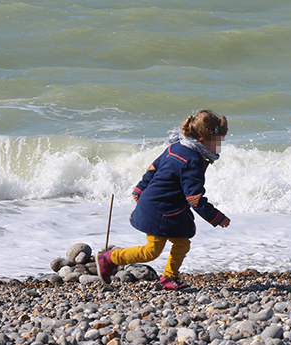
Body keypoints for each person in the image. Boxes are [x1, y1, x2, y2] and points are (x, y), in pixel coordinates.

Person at [96, 109, 231, 290]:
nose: (220, 146)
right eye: (218, 142)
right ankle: (108, 259)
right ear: (203, 140)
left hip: (158, 203)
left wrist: (140, 189)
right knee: (151, 251)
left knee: (182, 243)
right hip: (161, 209)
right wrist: (217, 217)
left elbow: (153, 168)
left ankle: (169, 277)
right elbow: (195, 198)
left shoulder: (176, 147)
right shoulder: (193, 161)